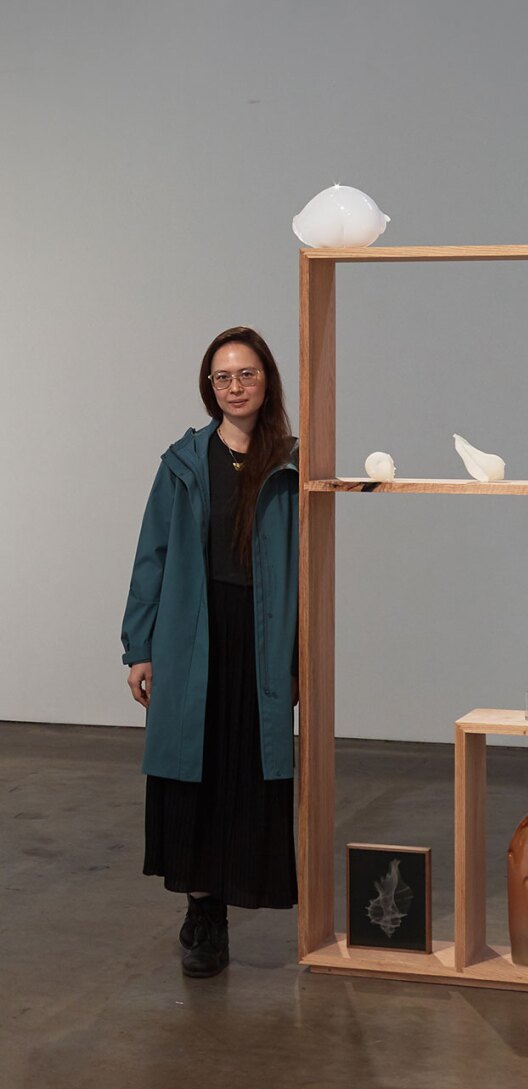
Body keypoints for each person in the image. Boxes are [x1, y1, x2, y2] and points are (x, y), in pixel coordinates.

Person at [121, 326, 299, 978]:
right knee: (195, 777)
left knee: (244, 773)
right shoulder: (184, 462)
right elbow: (152, 556)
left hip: (261, 635)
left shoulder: (290, 464)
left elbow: (311, 569)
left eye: (246, 374)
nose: (234, 386)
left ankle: (233, 894)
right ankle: (204, 916)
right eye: (223, 377)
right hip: (191, 636)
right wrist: (139, 647)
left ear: (266, 381)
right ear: (210, 386)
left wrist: (302, 654)